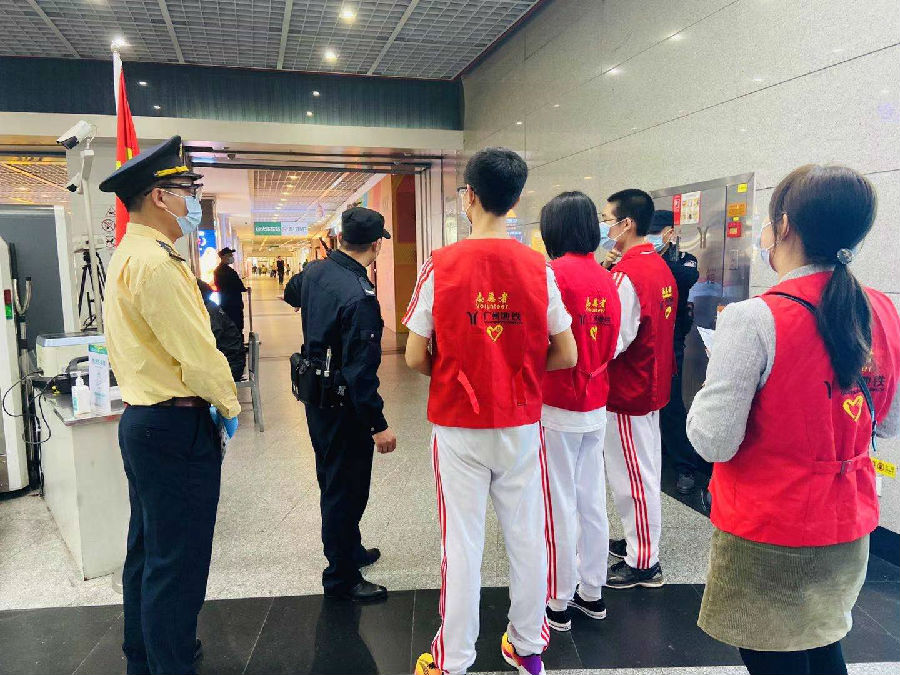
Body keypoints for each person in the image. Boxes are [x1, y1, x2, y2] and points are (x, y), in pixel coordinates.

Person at [687, 165, 900, 675]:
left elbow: (713, 441)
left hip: (769, 527)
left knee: (771, 654)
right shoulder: (882, 310)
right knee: (822, 641)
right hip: (848, 521)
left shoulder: (754, 318)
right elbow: (887, 424)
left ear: (783, 226)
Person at [405, 148, 577, 675]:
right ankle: (526, 646)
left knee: (461, 543)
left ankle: (453, 659)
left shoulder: (441, 264)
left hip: (458, 424)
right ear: (516, 200)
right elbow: (567, 352)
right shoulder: (538, 267)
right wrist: (517, 374)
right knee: (527, 539)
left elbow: (414, 355)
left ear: (470, 197)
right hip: (521, 423)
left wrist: (459, 374)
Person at [100, 135, 241, 675]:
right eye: (186, 189)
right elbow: (198, 352)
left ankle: (146, 656)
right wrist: (228, 404)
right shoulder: (156, 264)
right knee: (178, 562)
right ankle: (171, 663)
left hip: (146, 423)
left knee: (149, 551)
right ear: (160, 196)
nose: (192, 201)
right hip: (173, 425)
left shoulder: (131, 253)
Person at [283, 207, 397, 602]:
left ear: (342, 238)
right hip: (344, 407)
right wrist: (378, 424)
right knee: (345, 489)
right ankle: (341, 577)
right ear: (376, 245)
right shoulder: (359, 296)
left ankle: (350, 548)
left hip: (316, 398)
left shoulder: (316, 270)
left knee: (333, 479)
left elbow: (291, 293)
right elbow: (360, 373)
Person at [538, 192, 621, 633]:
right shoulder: (608, 278)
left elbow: (542, 342)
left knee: (558, 502)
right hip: (596, 400)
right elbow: (616, 342)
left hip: (557, 402)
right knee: (591, 499)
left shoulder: (552, 275)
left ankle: (557, 599)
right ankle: (592, 591)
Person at [600, 189, 678, 589]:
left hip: (628, 390)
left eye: (607, 219)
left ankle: (644, 561)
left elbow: (612, 340)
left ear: (626, 224)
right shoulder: (656, 265)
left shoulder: (627, 275)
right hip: (650, 384)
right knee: (641, 468)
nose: (605, 227)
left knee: (632, 475)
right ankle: (637, 540)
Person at [647, 210, 704, 494]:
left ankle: (685, 466)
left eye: (656, 233)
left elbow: (686, 277)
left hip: (671, 341)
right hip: (644, 339)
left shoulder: (684, 259)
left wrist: (650, 261)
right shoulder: (643, 260)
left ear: (670, 233)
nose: (651, 238)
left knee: (670, 403)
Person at [197, 279, 246, 381]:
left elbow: (212, 338)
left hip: (230, 366)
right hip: (232, 360)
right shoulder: (210, 306)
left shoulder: (208, 311)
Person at [214, 247, 246, 334]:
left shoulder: (218, 270)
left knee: (230, 324)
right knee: (236, 324)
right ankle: (238, 341)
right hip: (233, 303)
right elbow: (237, 284)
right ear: (224, 257)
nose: (232, 257)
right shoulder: (227, 271)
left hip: (225, 301)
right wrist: (244, 289)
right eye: (230, 255)